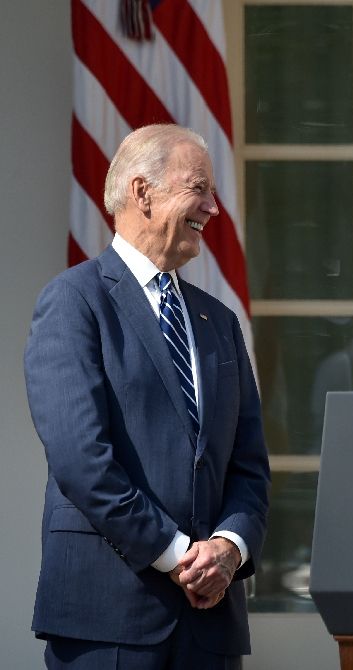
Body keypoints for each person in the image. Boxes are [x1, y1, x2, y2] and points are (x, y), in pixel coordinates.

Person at [24, 124, 270, 669]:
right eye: (199, 188)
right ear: (142, 193)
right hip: (109, 620)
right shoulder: (74, 302)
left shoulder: (219, 321)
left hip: (210, 626)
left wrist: (229, 549)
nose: (214, 207)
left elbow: (249, 467)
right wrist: (181, 556)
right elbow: (82, 460)